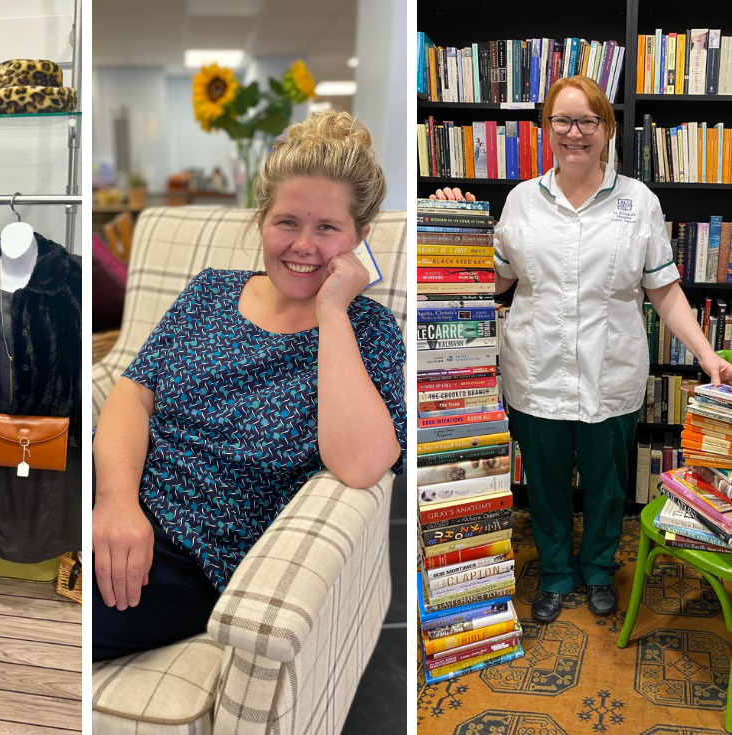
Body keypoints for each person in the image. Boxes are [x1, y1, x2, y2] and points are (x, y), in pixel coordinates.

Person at [92, 110, 407, 661]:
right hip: (115, 492)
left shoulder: (366, 331)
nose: (304, 246)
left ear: (360, 238)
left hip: (190, 559)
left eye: (328, 228)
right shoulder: (210, 292)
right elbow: (133, 392)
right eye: (287, 222)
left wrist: (333, 309)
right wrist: (117, 505)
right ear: (261, 220)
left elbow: (361, 464)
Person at [433, 75, 732, 624]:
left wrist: (707, 355)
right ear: (547, 129)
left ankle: (597, 570)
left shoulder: (638, 201)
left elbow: (664, 290)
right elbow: (491, 283)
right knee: (544, 485)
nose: (576, 132)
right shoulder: (521, 200)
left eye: (588, 120)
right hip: (535, 371)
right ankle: (554, 572)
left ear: (606, 128)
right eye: (563, 121)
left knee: (606, 482)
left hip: (610, 372)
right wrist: (456, 222)